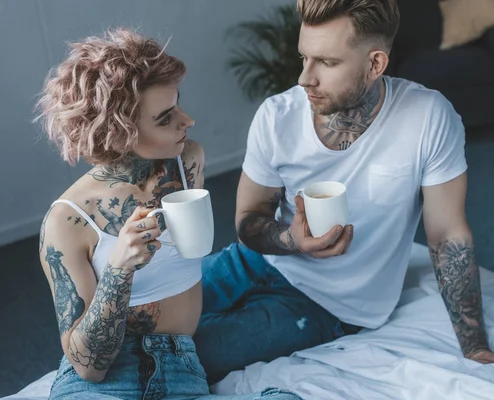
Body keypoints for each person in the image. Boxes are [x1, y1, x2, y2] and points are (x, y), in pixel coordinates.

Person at [194, 0, 494, 384]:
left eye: (326, 63)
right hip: (248, 262)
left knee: (187, 354)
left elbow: (448, 236)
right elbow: (249, 219)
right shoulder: (276, 115)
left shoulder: (428, 117)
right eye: (304, 58)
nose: (304, 78)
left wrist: (475, 345)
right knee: (140, 313)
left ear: (375, 64)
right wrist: (292, 240)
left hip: (327, 304)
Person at [35, 28, 302, 400]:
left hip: (182, 366)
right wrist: (119, 269)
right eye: (165, 118)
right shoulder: (67, 221)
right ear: (117, 133)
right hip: (108, 380)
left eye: (178, 104)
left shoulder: (187, 161)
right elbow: (88, 365)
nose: (187, 120)